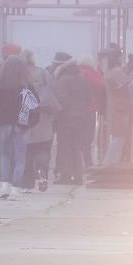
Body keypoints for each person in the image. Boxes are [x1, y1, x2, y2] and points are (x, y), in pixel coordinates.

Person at [0, 48, 29, 199]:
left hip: (4, 123)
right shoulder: (25, 85)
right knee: (20, 156)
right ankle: (16, 187)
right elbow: (34, 105)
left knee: (5, 154)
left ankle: (4, 186)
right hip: (20, 123)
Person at [24, 51, 61, 191]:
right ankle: (42, 172)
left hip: (26, 116)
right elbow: (53, 89)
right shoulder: (43, 72)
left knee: (28, 151)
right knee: (43, 147)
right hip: (43, 115)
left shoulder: (21, 74)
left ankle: (27, 183)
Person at [53, 57, 92, 186]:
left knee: (65, 147)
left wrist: (56, 115)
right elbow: (88, 98)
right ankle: (78, 176)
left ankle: (65, 175)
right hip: (81, 117)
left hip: (66, 118)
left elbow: (61, 100)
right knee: (76, 147)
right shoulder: (83, 79)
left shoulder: (64, 80)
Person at [103, 52, 133, 168]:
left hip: (114, 107)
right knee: (119, 137)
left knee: (118, 137)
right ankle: (110, 163)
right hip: (120, 108)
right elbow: (128, 85)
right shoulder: (117, 72)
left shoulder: (110, 72)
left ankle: (111, 163)